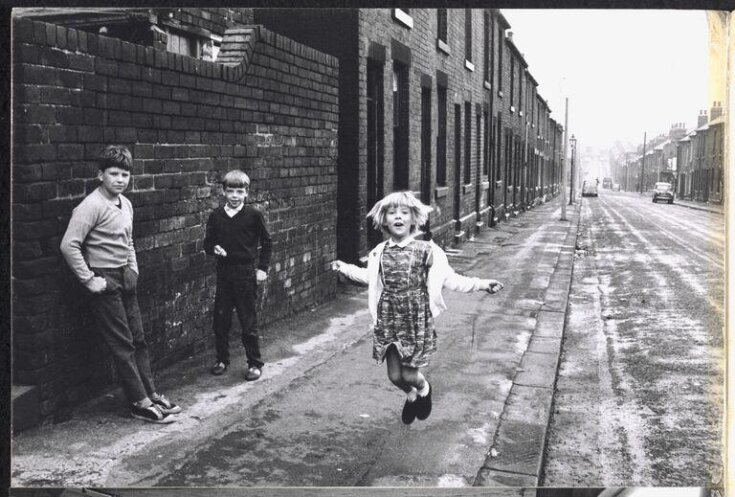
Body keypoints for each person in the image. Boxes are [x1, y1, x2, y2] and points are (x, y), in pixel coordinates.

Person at [332, 191, 503, 424]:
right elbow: (369, 277)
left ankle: (423, 389)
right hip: (388, 319)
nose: (398, 217)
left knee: (410, 374)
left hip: (415, 321)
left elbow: (451, 279)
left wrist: (482, 284)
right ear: (384, 220)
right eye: (392, 213)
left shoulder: (427, 251)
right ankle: (411, 396)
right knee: (394, 376)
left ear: (414, 218)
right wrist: (344, 268)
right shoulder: (379, 252)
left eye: (404, 213)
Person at [60, 145, 181, 424]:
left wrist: (133, 269)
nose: (120, 179)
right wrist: (89, 280)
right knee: (122, 343)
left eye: (125, 174)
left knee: (138, 338)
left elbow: (129, 242)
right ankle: (138, 402)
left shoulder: (125, 204)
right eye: (114, 173)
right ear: (100, 174)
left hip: (125, 277)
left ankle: (151, 393)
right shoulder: (91, 205)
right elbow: (69, 245)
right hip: (104, 279)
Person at [203, 169, 272, 381]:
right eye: (230, 191)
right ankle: (222, 359)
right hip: (224, 273)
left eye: (239, 191)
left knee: (247, 320)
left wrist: (262, 269)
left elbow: (267, 242)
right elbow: (207, 244)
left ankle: (254, 363)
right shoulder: (216, 216)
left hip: (245, 273)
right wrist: (214, 248)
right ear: (223, 191)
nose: (235, 196)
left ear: (246, 193)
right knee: (220, 320)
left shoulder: (254, 214)